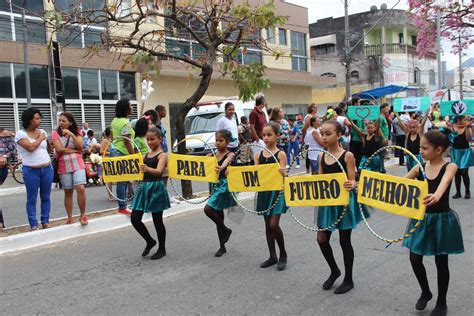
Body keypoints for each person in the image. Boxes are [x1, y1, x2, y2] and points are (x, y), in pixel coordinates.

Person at [403, 130, 464, 315]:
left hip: (441, 220)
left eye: (424, 148)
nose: (420, 151)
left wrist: (437, 195)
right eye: (420, 147)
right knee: (414, 258)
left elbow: (445, 183)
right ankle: (425, 291)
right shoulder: (419, 166)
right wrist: (364, 185)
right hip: (421, 219)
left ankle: (441, 302)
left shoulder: (450, 166)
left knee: (441, 262)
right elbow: (398, 183)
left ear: (438, 150)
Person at [316, 120, 369, 294]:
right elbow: (320, 180)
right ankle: (334, 270)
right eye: (322, 133)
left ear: (339, 135)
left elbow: (353, 179)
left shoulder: (347, 155)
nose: (324, 137)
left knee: (344, 240)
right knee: (321, 239)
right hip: (328, 203)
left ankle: (348, 278)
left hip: (344, 203)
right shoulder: (321, 155)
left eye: (328, 133)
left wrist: (351, 184)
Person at [130, 127, 170, 260]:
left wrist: (147, 168)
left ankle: (162, 248)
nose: (150, 142)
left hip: (156, 188)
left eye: (152, 139)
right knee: (135, 218)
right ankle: (149, 240)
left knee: (157, 220)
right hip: (144, 188)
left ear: (160, 139)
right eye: (148, 139)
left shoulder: (162, 155)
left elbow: (159, 171)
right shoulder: (145, 155)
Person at [255, 122, 288, 271]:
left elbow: (284, 174)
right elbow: (254, 175)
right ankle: (272, 255)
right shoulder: (258, 154)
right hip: (264, 192)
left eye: (269, 135)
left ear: (277, 136)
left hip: (278, 192)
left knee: (274, 224)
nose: (266, 137)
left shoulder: (280, 154)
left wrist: (284, 173)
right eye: (264, 135)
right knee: (268, 226)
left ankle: (283, 254)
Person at [15, 108, 53, 230]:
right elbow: (30, 147)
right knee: (32, 198)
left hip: (46, 168)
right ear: (29, 120)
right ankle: (33, 223)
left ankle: (45, 220)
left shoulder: (42, 132)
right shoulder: (21, 134)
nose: (39, 120)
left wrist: (47, 143)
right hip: (31, 169)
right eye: (36, 118)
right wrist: (41, 138)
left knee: (46, 196)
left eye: (40, 118)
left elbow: (46, 148)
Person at [52, 112, 88, 225]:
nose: (61, 123)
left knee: (80, 187)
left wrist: (71, 135)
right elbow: (59, 149)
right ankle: (69, 217)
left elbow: (81, 146)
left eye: (64, 121)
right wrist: (76, 151)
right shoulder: (55, 133)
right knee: (68, 191)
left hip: (78, 163)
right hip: (63, 165)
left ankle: (83, 215)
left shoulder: (78, 132)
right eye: (60, 121)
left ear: (70, 122)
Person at [204, 130, 236, 257]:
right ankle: (222, 245)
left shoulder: (230, 154)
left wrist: (221, 167)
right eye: (216, 140)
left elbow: (225, 163)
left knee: (208, 209)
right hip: (214, 185)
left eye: (221, 140)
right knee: (218, 214)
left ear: (227, 142)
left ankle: (225, 230)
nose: (218, 143)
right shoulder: (212, 155)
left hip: (223, 186)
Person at [110, 99, 135, 214]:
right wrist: (133, 156)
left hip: (114, 150)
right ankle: (122, 206)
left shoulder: (114, 121)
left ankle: (122, 205)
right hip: (122, 152)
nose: (132, 107)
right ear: (126, 108)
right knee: (123, 181)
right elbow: (127, 141)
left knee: (121, 180)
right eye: (130, 105)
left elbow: (111, 136)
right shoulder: (125, 123)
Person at [450, 116, 472, 199]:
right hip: (455, 153)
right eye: (464, 119)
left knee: (464, 172)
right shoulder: (453, 128)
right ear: (459, 120)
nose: (466, 121)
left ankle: (467, 191)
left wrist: (468, 128)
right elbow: (451, 140)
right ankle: (458, 192)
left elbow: (469, 139)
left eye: (466, 120)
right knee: (457, 173)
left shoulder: (467, 128)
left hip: (465, 152)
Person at [349, 97, 364, 167]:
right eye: (359, 102)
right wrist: (362, 139)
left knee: (358, 158)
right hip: (356, 139)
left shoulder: (358, 114)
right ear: (355, 103)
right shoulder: (354, 114)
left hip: (358, 138)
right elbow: (356, 128)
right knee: (357, 158)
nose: (360, 104)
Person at [100, 128, 114, 201]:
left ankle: (111, 195)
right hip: (107, 160)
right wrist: (110, 153)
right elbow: (101, 151)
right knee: (109, 179)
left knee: (111, 178)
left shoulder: (111, 141)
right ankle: (110, 196)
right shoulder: (105, 140)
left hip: (112, 160)